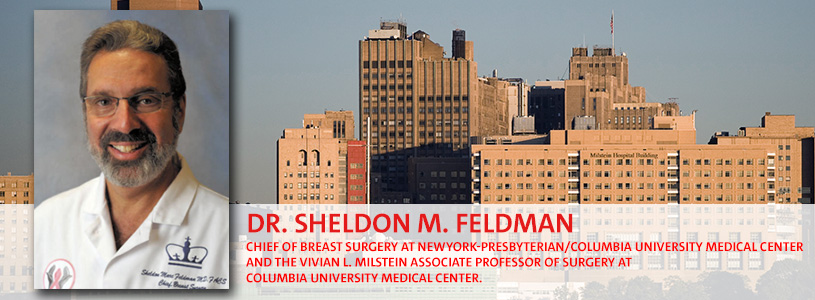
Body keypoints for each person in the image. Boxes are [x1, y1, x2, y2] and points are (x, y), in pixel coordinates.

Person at [34, 20, 228, 289]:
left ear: (179, 111)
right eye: (104, 102)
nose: (124, 124)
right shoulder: (43, 224)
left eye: (146, 100)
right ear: (85, 113)